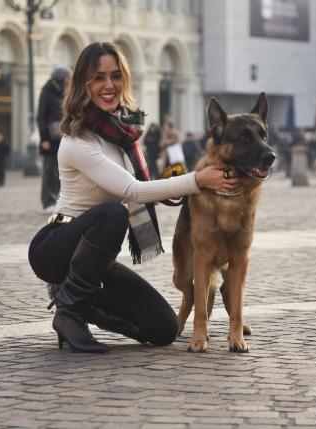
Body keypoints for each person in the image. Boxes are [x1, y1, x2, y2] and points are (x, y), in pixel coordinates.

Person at [27, 42, 240, 353]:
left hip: (93, 260)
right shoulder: (77, 140)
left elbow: (137, 186)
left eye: (116, 76)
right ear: (83, 84)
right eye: (98, 77)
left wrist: (169, 189)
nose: (108, 85)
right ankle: (69, 314)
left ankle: (80, 302)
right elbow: (131, 191)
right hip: (57, 247)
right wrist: (197, 180)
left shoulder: (122, 135)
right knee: (113, 214)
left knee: (164, 329)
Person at [37, 67, 71, 213]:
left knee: (61, 171)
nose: (69, 80)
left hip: (62, 137)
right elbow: (41, 117)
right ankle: (47, 201)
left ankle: (58, 200)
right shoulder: (46, 92)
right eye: (67, 77)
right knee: (49, 170)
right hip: (49, 139)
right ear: (61, 79)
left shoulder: (65, 92)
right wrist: (44, 138)